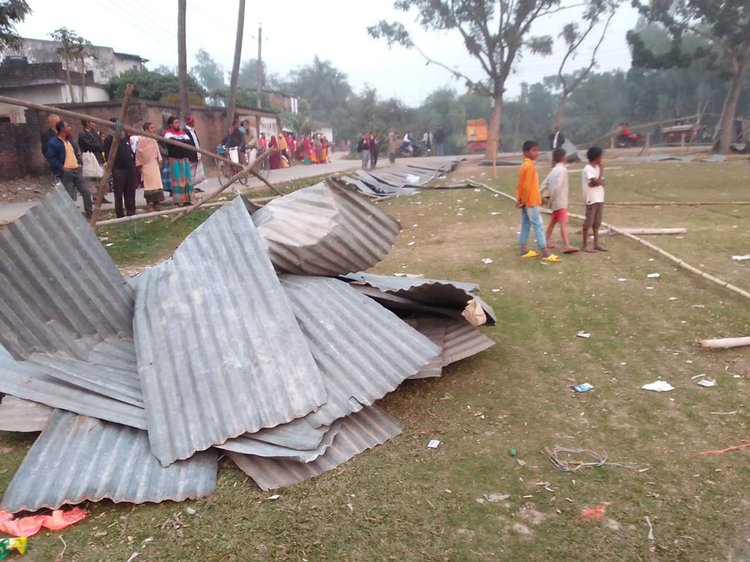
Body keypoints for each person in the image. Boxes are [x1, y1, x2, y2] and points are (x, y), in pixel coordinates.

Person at [515, 140, 560, 262]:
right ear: (526, 152)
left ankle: (523, 248)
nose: (536, 153)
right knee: (538, 225)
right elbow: (526, 187)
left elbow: (520, 186)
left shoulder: (524, 166)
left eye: (537, 150)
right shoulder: (529, 167)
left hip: (526, 201)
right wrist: (525, 200)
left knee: (526, 224)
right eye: (533, 150)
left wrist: (519, 199)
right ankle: (545, 252)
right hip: (531, 202)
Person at [45, 120, 93, 218]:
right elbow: (51, 158)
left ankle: (90, 214)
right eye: (67, 126)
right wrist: (62, 168)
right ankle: (71, 217)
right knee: (69, 196)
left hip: (76, 170)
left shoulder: (70, 140)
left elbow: (75, 152)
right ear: (62, 129)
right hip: (66, 172)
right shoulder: (53, 142)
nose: (70, 128)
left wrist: (80, 162)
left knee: (86, 192)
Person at [541, 148, 578, 254]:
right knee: (563, 223)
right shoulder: (563, 170)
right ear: (563, 157)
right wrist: (552, 198)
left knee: (553, 222)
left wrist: (543, 195)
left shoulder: (553, 170)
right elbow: (558, 187)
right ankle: (567, 245)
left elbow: (544, 184)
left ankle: (546, 242)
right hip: (560, 201)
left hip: (554, 202)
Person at [103, 119, 137, 218]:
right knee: (119, 193)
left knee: (130, 191)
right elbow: (107, 154)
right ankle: (120, 214)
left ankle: (131, 212)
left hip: (129, 168)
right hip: (118, 169)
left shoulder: (124, 138)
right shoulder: (109, 139)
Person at [163, 116, 195, 207]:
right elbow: (173, 142)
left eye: (178, 122)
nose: (178, 124)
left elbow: (189, 142)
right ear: (170, 124)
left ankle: (187, 200)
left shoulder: (182, 133)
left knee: (186, 180)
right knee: (178, 180)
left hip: (184, 159)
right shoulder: (167, 133)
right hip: (175, 160)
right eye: (176, 123)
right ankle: (178, 200)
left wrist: (180, 142)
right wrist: (182, 142)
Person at [581, 145, 607, 253]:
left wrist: (597, 182)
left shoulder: (595, 168)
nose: (602, 159)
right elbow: (596, 182)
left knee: (597, 223)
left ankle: (596, 244)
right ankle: (585, 245)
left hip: (599, 198)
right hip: (591, 199)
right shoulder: (588, 169)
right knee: (588, 223)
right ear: (596, 157)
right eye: (601, 156)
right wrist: (601, 170)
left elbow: (600, 182)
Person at [135, 122, 165, 213]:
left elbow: (157, 151)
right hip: (147, 165)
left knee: (157, 184)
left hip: (155, 164)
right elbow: (140, 153)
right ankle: (149, 204)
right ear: (147, 129)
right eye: (152, 128)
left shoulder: (154, 139)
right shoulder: (142, 140)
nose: (154, 129)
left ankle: (157, 203)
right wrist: (145, 161)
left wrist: (159, 160)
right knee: (149, 185)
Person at [184, 116, 205, 192]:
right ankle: (190, 187)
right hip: (191, 155)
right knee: (190, 172)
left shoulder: (193, 130)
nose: (193, 123)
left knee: (196, 172)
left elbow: (196, 141)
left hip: (197, 153)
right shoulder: (186, 131)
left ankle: (194, 186)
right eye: (192, 122)